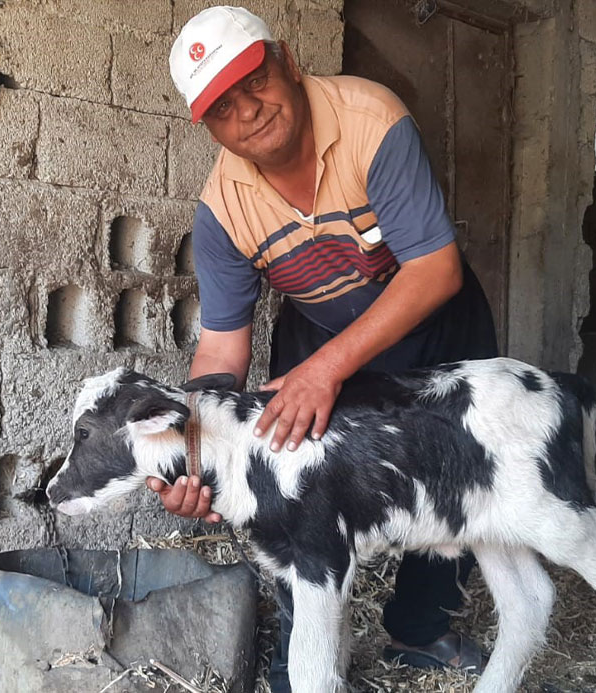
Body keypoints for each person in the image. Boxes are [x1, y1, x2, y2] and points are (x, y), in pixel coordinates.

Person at [148, 6, 500, 690]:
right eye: (222, 107)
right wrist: (191, 455)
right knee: (288, 465)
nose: (248, 111)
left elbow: (435, 269)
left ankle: (420, 629)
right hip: (320, 324)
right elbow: (222, 348)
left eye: (254, 81)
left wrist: (328, 371)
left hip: (432, 313)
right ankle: (303, 658)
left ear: (286, 60)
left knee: (453, 464)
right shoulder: (223, 210)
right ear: (209, 126)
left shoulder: (372, 121)